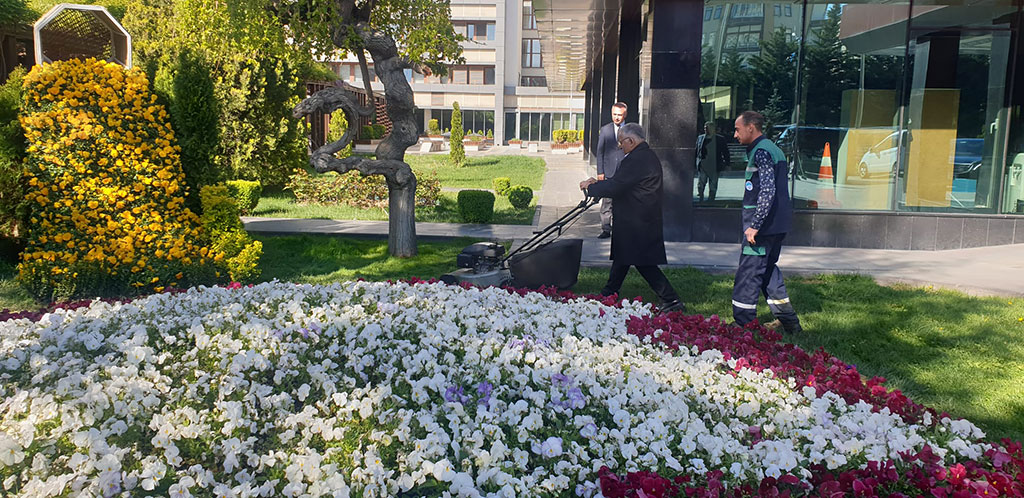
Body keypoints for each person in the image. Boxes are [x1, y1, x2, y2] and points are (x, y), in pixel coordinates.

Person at [580, 122, 685, 314]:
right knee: (624, 257)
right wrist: (598, 183)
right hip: (637, 217)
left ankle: (671, 300)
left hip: (638, 220)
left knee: (642, 262)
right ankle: (609, 293)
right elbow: (621, 182)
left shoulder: (637, 159)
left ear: (631, 140)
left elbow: (617, 186)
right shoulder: (643, 157)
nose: (620, 146)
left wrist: (590, 188)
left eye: (621, 142)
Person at [731, 110, 802, 334]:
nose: (735, 134)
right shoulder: (774, 149)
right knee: (768, 271)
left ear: (751, 127)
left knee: (749, 273)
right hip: (778, 225)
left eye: (737, 129)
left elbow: (767, 191)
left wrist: (755, 225)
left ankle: (744, 324)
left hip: (762, 228)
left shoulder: (761, 152)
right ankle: (788, 321)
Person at [594, 102, 628, 238]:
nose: (617, 117)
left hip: (624, 172)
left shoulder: (630, 130)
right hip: (608, 172)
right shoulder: (605, 130)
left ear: (625, 115)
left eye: (619, 115)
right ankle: (606, 229)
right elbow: (600, 152)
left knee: (623, 201)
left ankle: (621, 228)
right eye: (614, 114)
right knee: (606, 202)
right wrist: (600, 172)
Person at [695, 121, 729, 202]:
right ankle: (701, 198)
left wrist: (728, 164)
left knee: (713, 185)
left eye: (708, 127)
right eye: (705, 128)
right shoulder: (700, 138)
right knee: (701, 183)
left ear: (713, 128)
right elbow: (696, 151)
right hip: (703, 164)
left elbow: (725, 152)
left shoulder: (720, 139)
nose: (706, 129)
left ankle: (711, 200)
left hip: (714, 165)